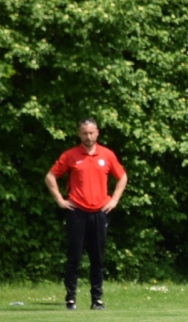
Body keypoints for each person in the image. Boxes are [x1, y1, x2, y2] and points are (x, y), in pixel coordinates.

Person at [45, 118, 128, 311]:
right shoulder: (71, 155)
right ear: (79, 134)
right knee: (74, 256)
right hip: (77, 212)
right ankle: (70, 299)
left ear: (97, 133)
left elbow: (122, 176)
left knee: (97, 258)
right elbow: (50, 177)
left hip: (99, 211)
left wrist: (114, 200)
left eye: (91, 133)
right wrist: (60, 200)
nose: (88, 136)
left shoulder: (106, 155)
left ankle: (97, 299)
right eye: (84, 133)